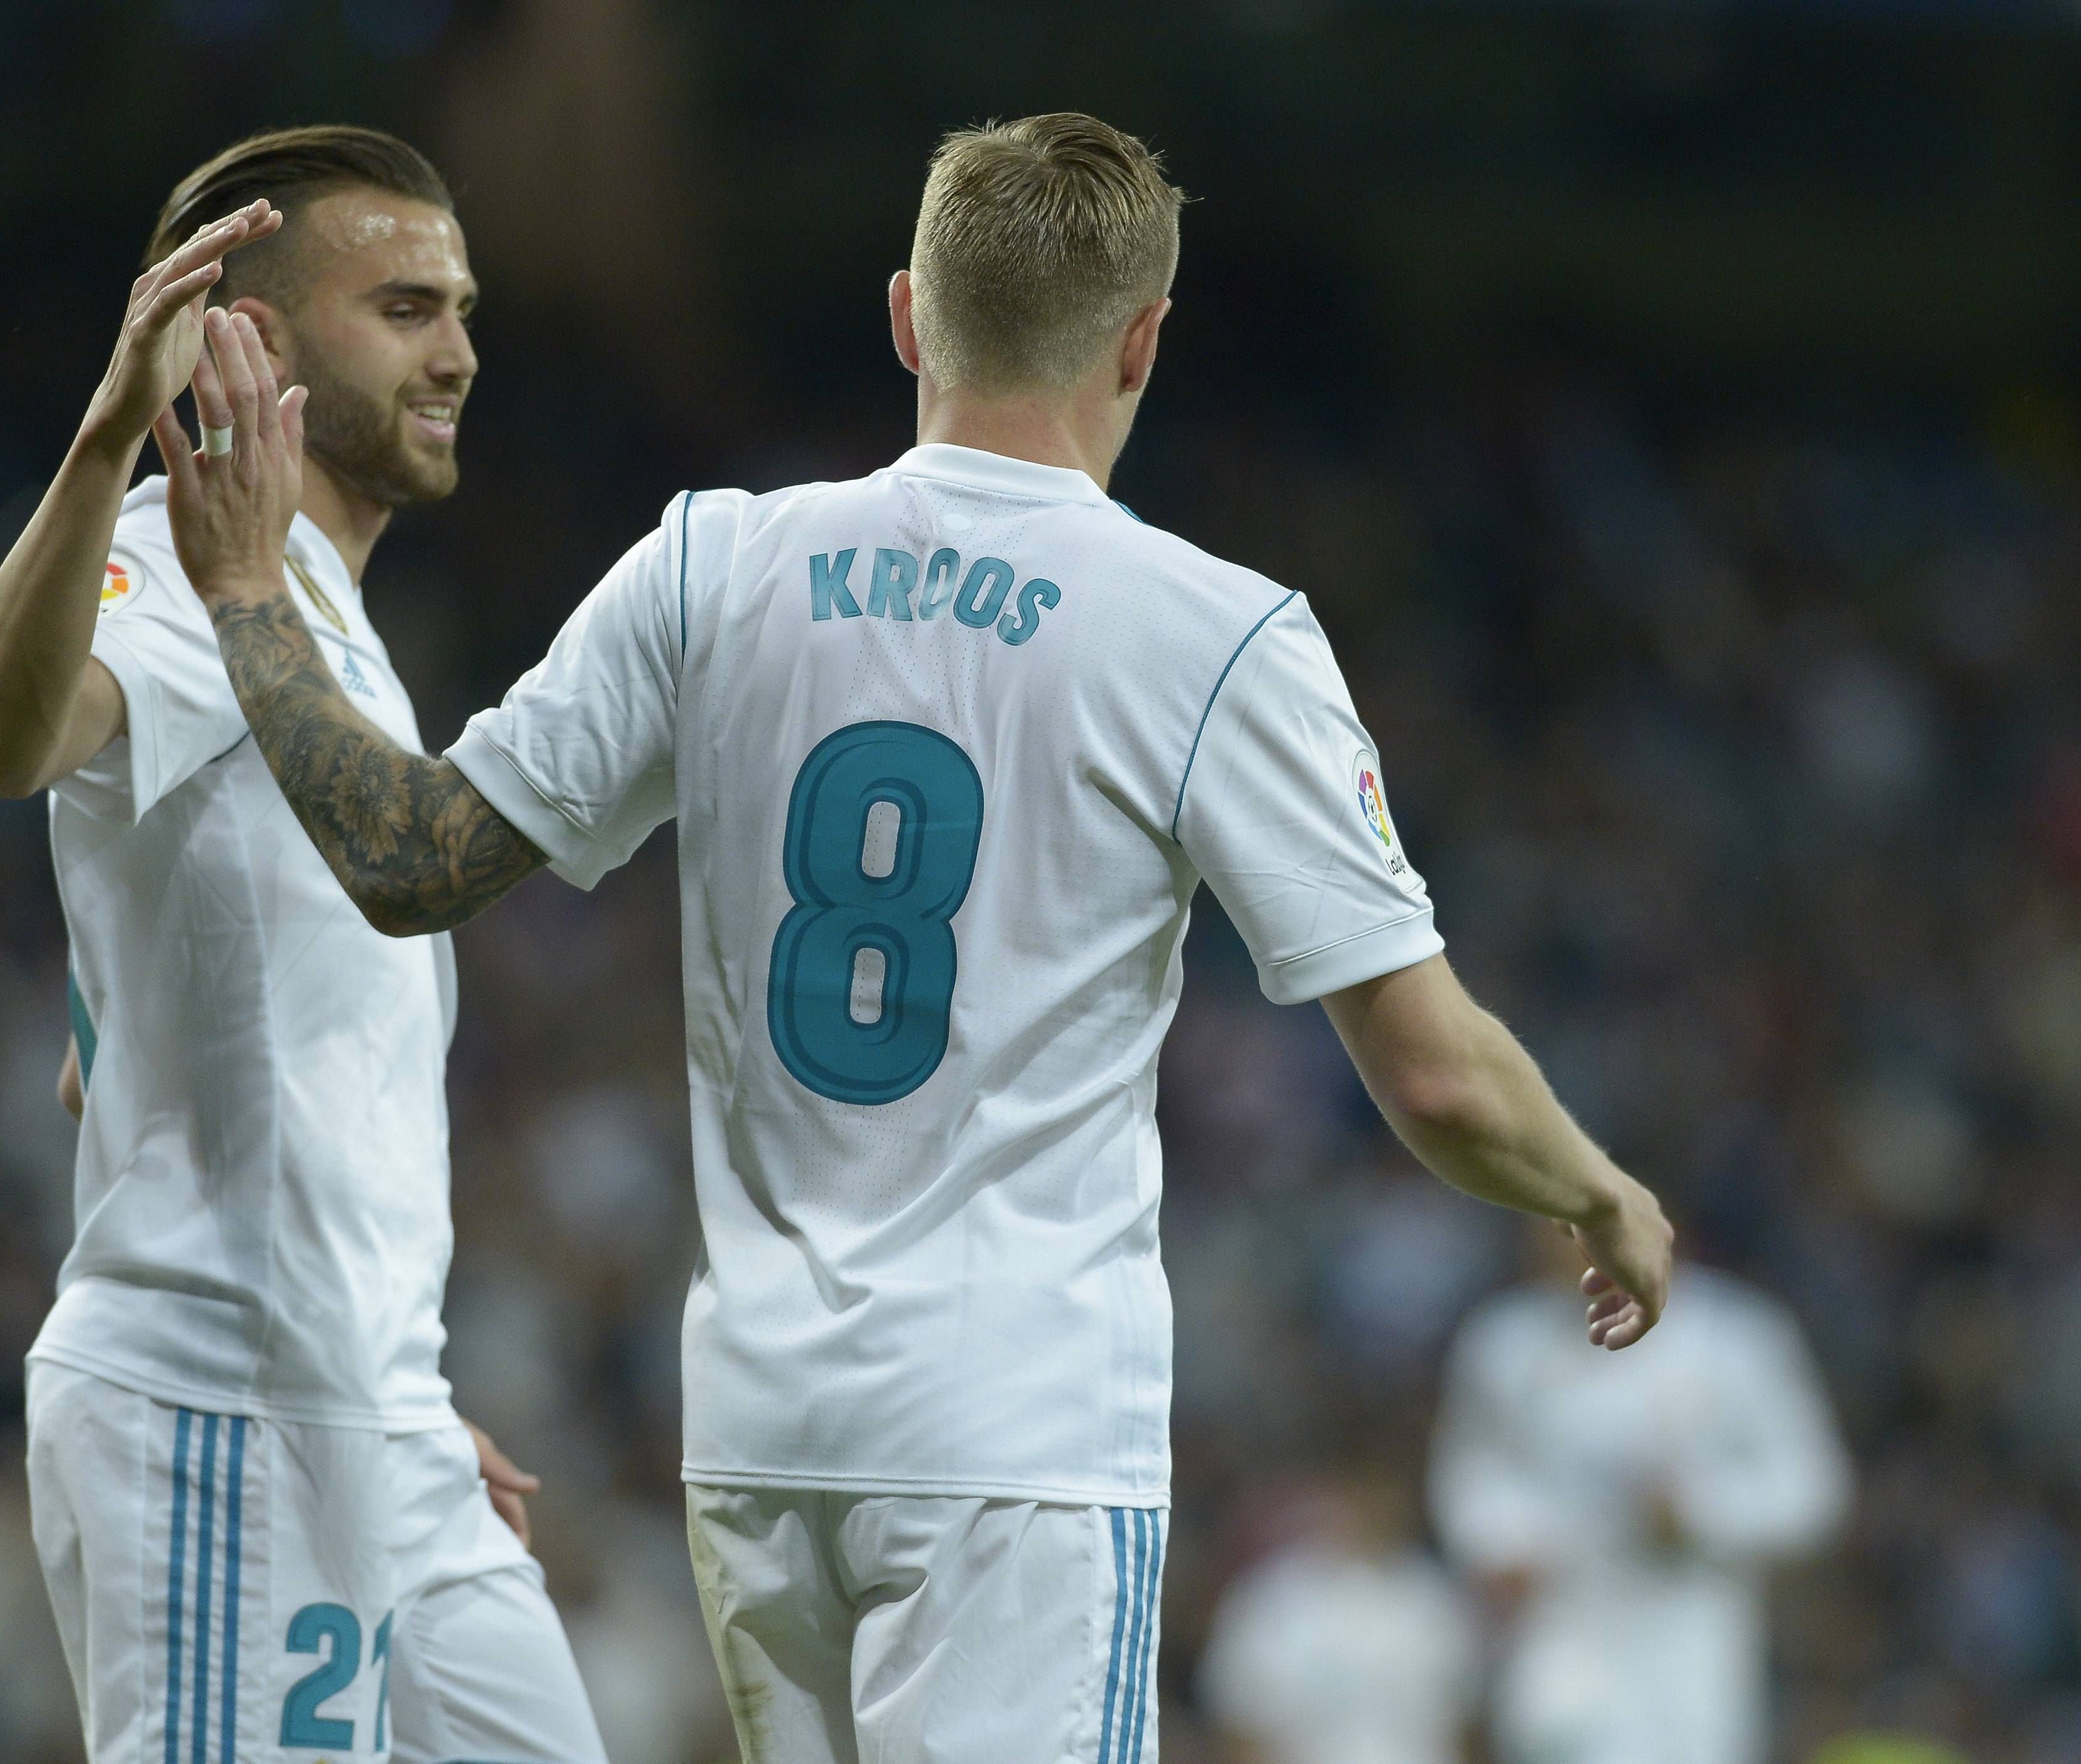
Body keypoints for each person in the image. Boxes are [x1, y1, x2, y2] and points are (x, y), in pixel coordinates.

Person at [162, 111, 1675, 1764]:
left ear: (905, 315)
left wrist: (246, 585)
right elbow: (1438, 1081)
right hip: (1012, 1433)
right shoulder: (1212, 633)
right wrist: (1592, 1187)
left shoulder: (708, 565)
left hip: (757, 1431)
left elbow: (407, 854)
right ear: (1141, 341)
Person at [0, 127, 603, 1764]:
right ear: (242, 333)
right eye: (400, 305)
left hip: (366, 1402)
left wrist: (376, 1364)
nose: (456, 347)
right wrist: (110, 431)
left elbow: (191, 1022)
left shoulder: (316, 616)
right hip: (218, 1412)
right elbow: (6, 740)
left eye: (458, 305)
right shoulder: (186, 567)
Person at [1431, 1224, 1850, 1764]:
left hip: (1690, 1625)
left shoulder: (1735, 1337)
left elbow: (1813, 1489)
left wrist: (1699, 1511)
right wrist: (1503, 1542)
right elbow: (1474, 1470)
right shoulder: (1507, 1340)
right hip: (1561, 1620)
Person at [1199, 1464, 1480, 1764]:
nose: (1371, 1507)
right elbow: (1243, 1730)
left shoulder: (1436, 1601)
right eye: (1358, 1491)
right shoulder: (1272, 1600)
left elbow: (1466, 1729)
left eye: (1382, 1492)